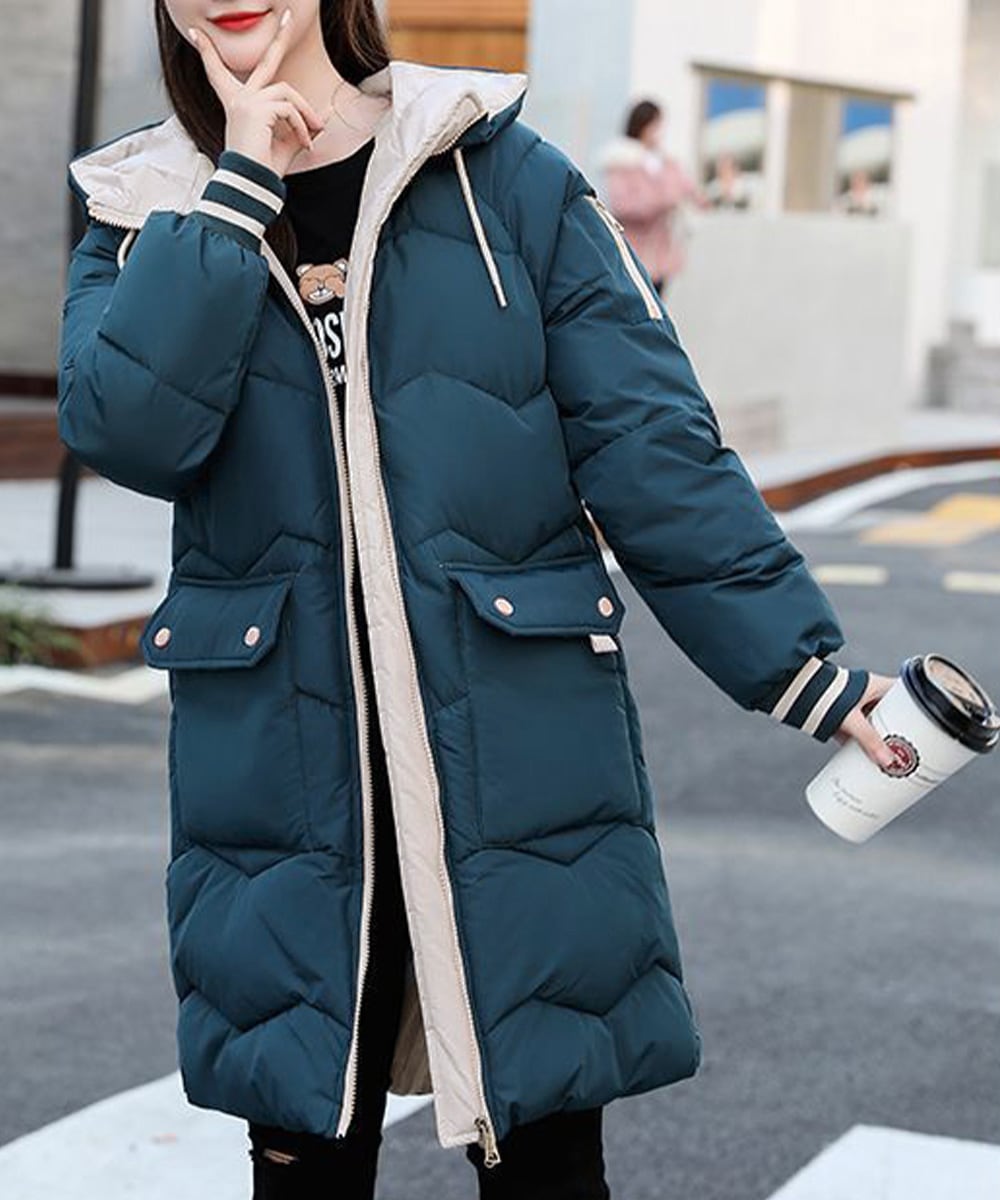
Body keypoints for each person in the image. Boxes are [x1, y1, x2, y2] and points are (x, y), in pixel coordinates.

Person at [57, 3, 900, 1197]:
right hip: (281, 794)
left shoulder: (499, 173)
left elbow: (652, 445)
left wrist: (804, 669)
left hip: (518, 768)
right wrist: (238, 180)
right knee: (302, 1156)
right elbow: (131, 432)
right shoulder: (139, 204)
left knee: (546, 1158)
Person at [597, 99, 708, 295]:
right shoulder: (621, 160)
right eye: (655, 125)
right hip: (632, 253)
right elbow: (622, 205)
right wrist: (662, 200)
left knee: (657, 303)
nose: (659, 131)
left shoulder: (664, 160)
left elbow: (687, 188)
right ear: (641, 125)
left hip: (660, 255)